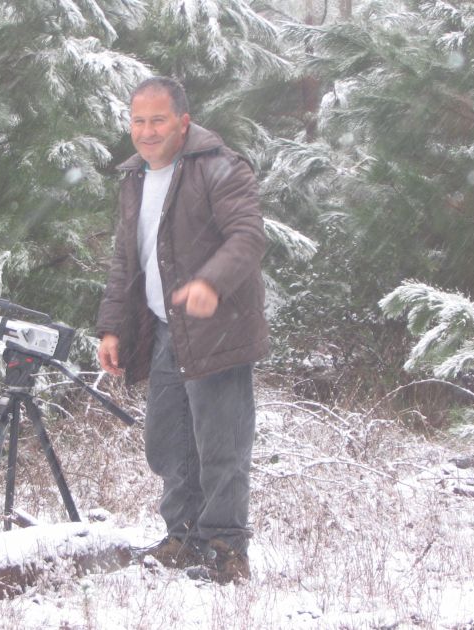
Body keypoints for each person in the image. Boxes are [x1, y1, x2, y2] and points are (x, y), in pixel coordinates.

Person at [95, 76, 269, 584]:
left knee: (221, 444)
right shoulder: (134, 179)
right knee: (168, 443)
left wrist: (211, 283)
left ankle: (225, 548)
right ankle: (183, 536)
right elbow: (126, 261)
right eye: (138, 121)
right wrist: (112, 329)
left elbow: (247, 235)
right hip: (165, 329)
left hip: (217, 330)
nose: (147, 132)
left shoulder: (219, 167)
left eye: (158, 120)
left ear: (183, 122)